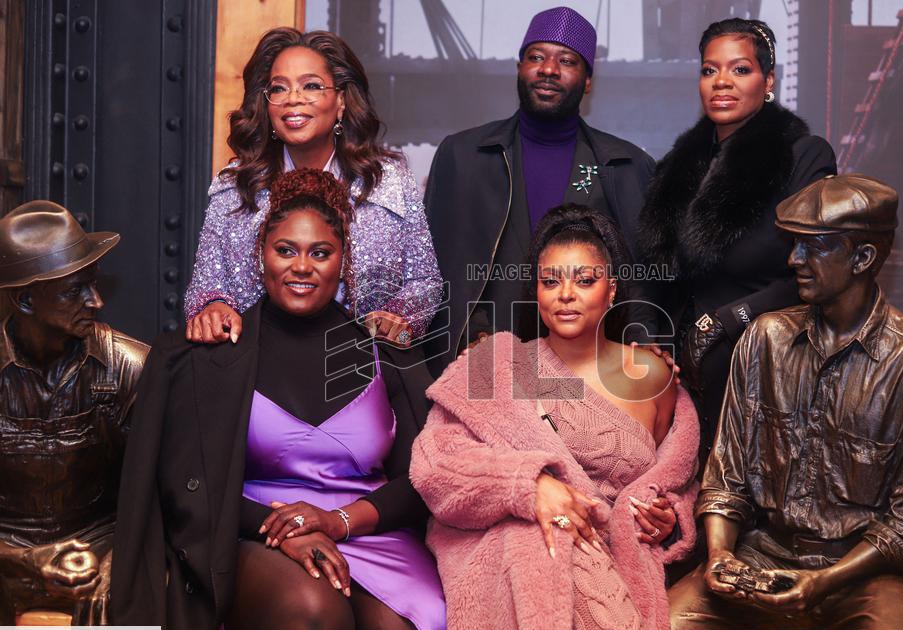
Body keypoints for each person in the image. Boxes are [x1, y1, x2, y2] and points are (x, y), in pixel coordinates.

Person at [112, 171, 446, 630]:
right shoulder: (213, 353)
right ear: (261, 255)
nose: (302, 267)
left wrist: (336, 522)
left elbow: (422, 477)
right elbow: (187, 482)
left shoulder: (384, 352)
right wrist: (284, 527)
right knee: (315, 614)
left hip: (363, 532)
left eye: (320, 253)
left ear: (343, 261)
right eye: (286, 250)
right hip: (250, 533)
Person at [668, 175, 903, 630]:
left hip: (864, 576)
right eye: (793, 244)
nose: (793, 260)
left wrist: (823, 582)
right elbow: (727, 478)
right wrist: (720, 554)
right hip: (763, 558)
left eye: (813, 247)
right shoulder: (765, 340)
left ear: (863, 258)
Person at [411, 205, 700, 630]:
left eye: (584, 280)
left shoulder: (650, 374)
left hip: (621, 559)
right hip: (527, 546)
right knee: (552, 537)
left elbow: (679, 475)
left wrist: (668, 514)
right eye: (551, 282)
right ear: (537, 292)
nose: (566, 295)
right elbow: (436, 464)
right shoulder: (498, 367)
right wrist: (529, 485)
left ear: (612, 290)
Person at [637, 18, 837, 462]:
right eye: (709, 70)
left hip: (763, 369)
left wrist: (727, 321)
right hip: (679, 374)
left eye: (740, 69)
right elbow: (655, 270)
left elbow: (814, 276)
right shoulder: (677, 167)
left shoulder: (803, 156)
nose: (721, 81)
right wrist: (650, 338)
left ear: (768, 81)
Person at [424, 6, 658, 372]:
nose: (548, 69)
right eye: (536, 57)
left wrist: (643, 353)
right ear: (519, 68)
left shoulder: (627, 167)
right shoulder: (462, 156)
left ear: (588, 80)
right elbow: (435, 269)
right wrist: (475, 338)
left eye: (566, 60)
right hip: (482, 360)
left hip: (589, 369)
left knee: (584, 432)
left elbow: (642, 279)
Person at [184, 27, 442, 348]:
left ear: (342, 101)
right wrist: (213, 308)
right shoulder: (235, 184)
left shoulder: (388, 178)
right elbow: (205, 286)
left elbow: (425, 281)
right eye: (278, 88)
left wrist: (399, 319)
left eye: (311, 86)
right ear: (267, 104)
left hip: (359, 366)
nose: (293, 99)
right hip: (258, 370)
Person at [0, 201, 148, 627]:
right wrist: (27, 562)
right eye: (73, 290)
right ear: (26, 299)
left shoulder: (129, 367)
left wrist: (120, 562)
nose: (96, 301)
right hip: (9, 556)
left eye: (94, 284)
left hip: (101, 549)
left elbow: (163, 494)